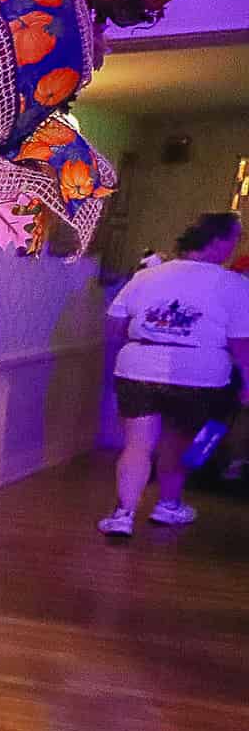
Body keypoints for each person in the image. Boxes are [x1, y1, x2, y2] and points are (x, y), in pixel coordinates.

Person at [98, 211, 249, 536]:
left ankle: (123, 515)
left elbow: (114, 326)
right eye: (235, 239)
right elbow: (241, 344)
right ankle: (168, 506)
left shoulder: (146, 276)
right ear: (220, 241)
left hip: (138, 366)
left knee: (137, 445)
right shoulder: (234, 284)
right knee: (176, 443)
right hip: (199, 375)